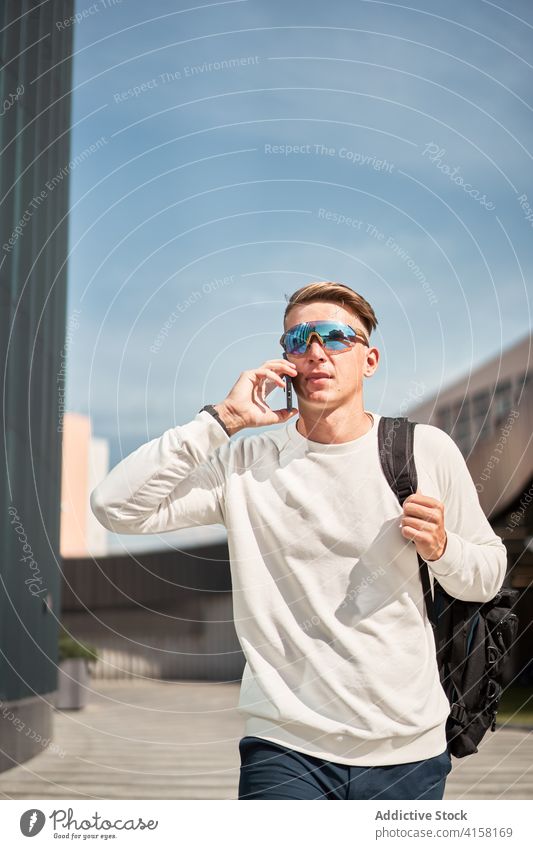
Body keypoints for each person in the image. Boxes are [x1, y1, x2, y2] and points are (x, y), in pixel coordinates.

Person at [90, 281, 507, 800]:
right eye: (299, 338)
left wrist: (443, 549)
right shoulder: (244, 463)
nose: (316, 352)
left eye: (335, 338)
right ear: (284, 358)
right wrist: (223, 421)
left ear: (369, 359)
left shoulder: (424, 450)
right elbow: (115, 506)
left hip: (409, 752)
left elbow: (488, 575)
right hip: (285, 747)